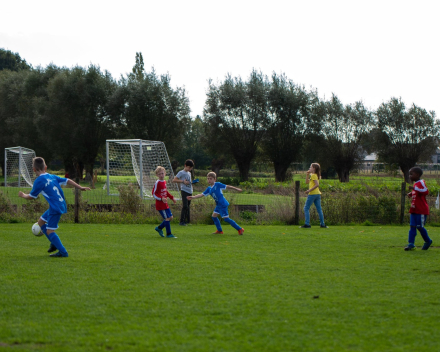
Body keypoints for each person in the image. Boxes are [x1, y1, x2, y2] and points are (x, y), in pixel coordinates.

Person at [18, 157, 91, 257]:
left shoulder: (39, 181)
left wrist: (23, 195)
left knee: (49, 231)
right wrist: (80, 187)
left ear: (34, 169)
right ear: (46, 167)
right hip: (59, 204)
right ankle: (54, 244)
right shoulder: (52, 176)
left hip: (55, 207)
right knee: (40, 222)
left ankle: (63, 252)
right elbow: (68, 180)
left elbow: (31, 197)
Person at [405, 167, 433, 251]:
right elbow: (418, 192)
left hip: (421, 210)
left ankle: (428, 241)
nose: (410, 176)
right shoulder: (416, 184)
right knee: (412, 226)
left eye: (411, 174)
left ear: (417, 175)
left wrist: (414, 189)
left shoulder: (421, 182)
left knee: (419, 226)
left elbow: (425, 191)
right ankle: (411, 244)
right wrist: (411, 193)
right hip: (414, 209)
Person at [152, 166, 177, 238]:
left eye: (162, 173)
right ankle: (169, 234)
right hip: (160, 205)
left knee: (171, 217)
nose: (161, 175)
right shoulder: (157, 182)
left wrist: (172, 197)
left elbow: (165, 192)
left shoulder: (164, 182)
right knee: (167, 218)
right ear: (157, 175)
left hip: (165, 204)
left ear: (165, 173)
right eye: (159, 174)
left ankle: (159, 228)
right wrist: (161, 198)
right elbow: (154, 193)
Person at [301, 163, 328, 229]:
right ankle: (322, 224)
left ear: (314, 169)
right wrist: (307, 175)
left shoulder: (313, 175)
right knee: (319, 210)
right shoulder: (314, 175)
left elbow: (317, 185)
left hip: (312, 194)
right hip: (317, 194)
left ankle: (307, 224)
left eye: (310, 167)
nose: (309, 168)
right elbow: (307, 182)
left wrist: (309, 190)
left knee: (306, 208)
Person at [173, 159, 194, 226]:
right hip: (184, 191)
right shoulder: (181, 172)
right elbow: (174, 180)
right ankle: (181, 221)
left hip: (189, 190)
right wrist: (182, 181)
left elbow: (189, 181)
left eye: (191, 168)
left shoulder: (189, 173)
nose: (190, 169)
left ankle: (187, 221)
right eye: (189, 167)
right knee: (185, 206)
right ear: (185, 166)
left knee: (188, 206)